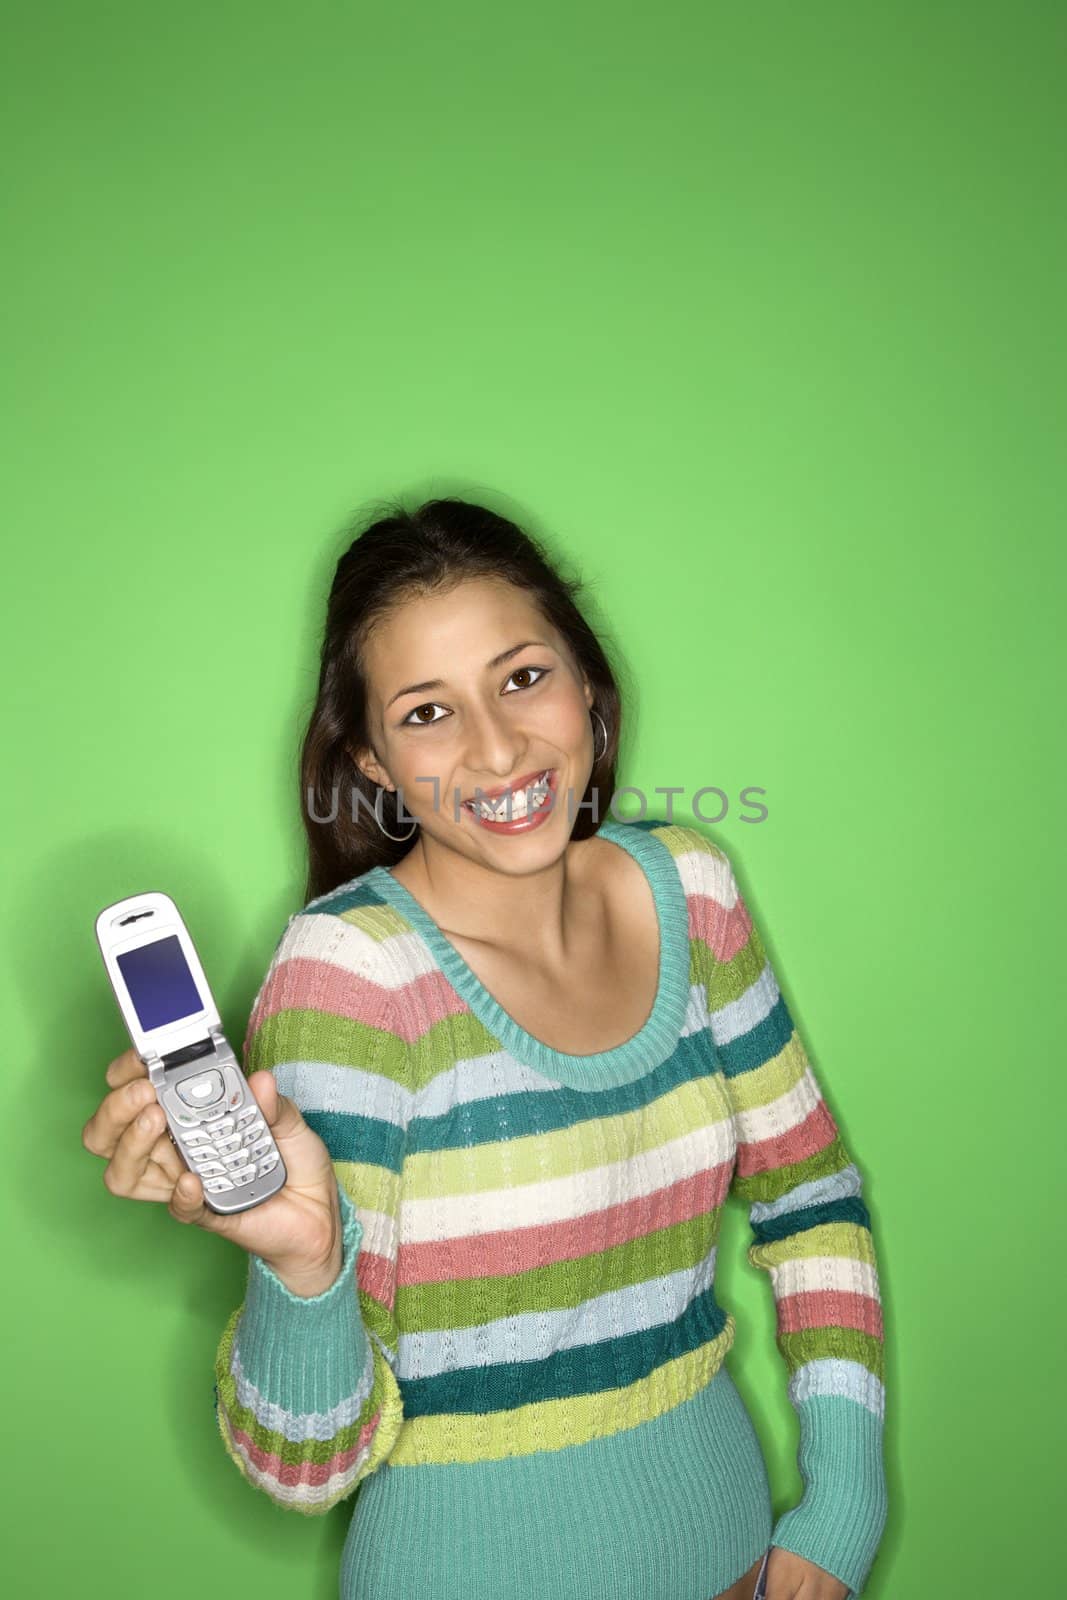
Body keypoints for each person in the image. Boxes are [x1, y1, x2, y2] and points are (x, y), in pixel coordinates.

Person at [82, 497, 888, 1600]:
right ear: (369, 759)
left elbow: (811, 1198)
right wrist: (302, 1268)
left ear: (585, 684)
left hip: (734, 1562)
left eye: (520, 678)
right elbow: (304, 1464)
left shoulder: (690, 890)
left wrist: (841, 1506)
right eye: (426, 712)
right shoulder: (353, 976)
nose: (499, 747)